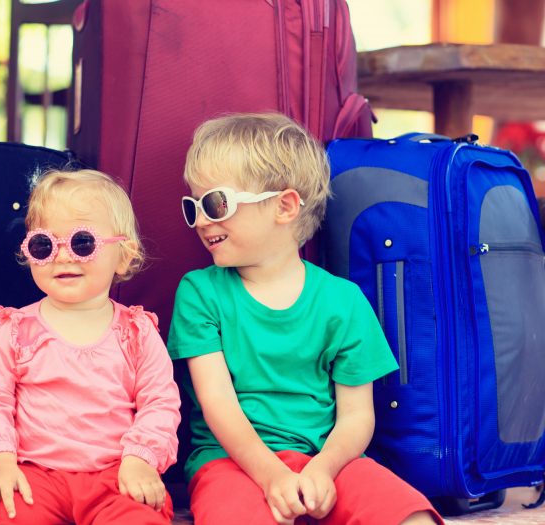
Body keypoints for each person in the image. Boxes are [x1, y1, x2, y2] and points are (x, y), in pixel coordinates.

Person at [167, 113, 443, 525]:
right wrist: (272, 475)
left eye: (216, 203)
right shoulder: (200, 292)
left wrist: (324, 469)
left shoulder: (342, 302)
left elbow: (357, 415)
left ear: (284, 206)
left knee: (413, 516)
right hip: (230, 463)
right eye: (194, 207)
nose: (202, 221)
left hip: (327, 459)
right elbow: (217, 404)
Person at [0, 169, 181, 525]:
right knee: (1, 515)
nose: (62, 257)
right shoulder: (16, 329)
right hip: (34, 474)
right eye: (44, 245)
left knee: (141, 517)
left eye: (83, 243)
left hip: (117, 475)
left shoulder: (137, 332)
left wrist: (141, 460)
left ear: (124, 256)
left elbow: (159, 403)